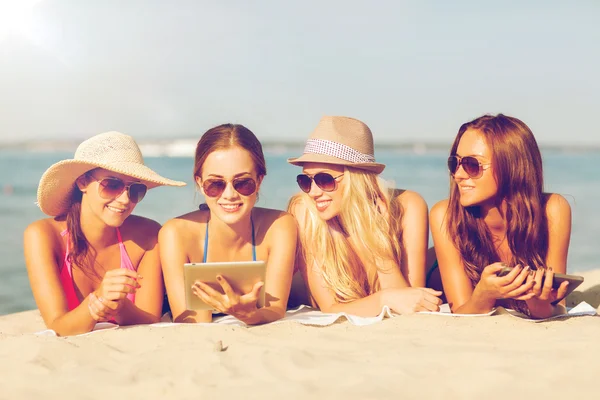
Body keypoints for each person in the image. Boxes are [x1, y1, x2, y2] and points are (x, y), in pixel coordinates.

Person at [24, 131, 185, 336]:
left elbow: (150, 319)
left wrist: (118, 307)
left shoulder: (148, 236)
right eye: (112, 185)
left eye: (135, 190)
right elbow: (58, 326)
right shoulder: (43, 235)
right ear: (82, 182)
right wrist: (99, 300)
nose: (125, 199)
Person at [287, 116, 442, 317]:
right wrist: (384, 298)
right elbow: (331, 308)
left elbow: (411, 302)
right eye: (305, 180)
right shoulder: (304, 210)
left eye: (324, 179)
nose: (313, 192)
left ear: (356, 178)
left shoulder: (408, 206)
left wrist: (379, 245)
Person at [430, 114, 572, 319]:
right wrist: (483, 295)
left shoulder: (552, 209)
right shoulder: (445, 215)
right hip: (433, 275)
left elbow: (553, 309)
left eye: (472, 165)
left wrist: (535, 300)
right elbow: (460, 312)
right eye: (455, 163)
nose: (458, 174)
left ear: (511, 167)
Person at [159, 123, 297, 324]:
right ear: (199, 183)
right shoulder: (176, 233)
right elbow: (190, 321)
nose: (230, 195)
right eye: (215, 184)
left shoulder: (279, 226)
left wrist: (249, 315)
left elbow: (275, 310)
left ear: (259, 180)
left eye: (242, 183)